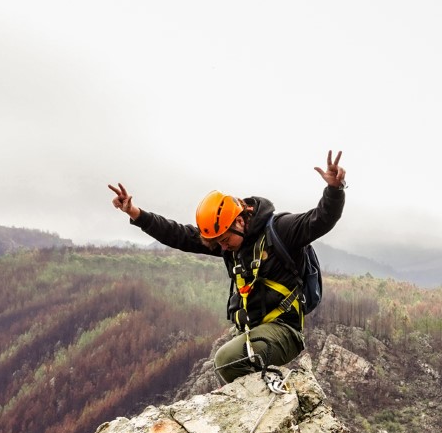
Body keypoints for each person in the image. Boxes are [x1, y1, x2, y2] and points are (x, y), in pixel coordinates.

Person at [108, 152, 347, 383]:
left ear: (240, 221)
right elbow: (178, 234)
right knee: (225, 363)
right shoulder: (228, 243)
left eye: (224, 239)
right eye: (218, 242)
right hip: (252, 331)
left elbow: (320, 220)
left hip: (285, 331)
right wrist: (135, 214)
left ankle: (267, 398)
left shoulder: (281, 231)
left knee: (225, 360)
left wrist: (334, 190)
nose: (223, 246)